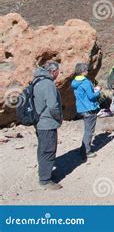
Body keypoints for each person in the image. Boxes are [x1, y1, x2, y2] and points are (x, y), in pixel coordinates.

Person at [33, 61, 63, 190]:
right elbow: (53, 106)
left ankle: (43, 171)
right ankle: (45, 179)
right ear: (53, 71)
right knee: (48, 150)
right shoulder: (48, 84)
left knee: (42, 148)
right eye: (58, 71)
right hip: (47, 123)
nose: (58, 74)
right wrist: (59, 118)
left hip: (39, 121)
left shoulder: (36, 81)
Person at [72, 63, 101, 159]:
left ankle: (83, 149)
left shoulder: (75, 82)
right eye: (86, 70)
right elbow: (91, 96)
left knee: (87, 130)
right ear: (83, 71)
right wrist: (98, 91)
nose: (88, 71)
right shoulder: (86, 82)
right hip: (89, 108)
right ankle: (86, 151)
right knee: (89, 131)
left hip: (81, 109)